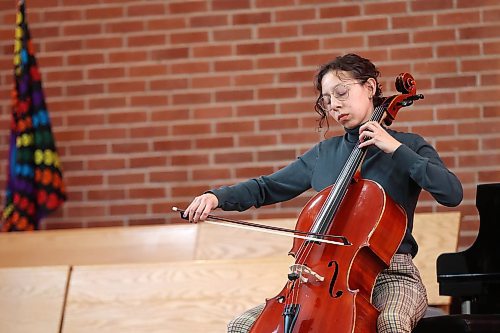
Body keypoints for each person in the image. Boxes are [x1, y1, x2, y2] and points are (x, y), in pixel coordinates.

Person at [183, 53, 463, 333]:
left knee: (390, 323)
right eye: (327, 100)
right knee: (241, 326)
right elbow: (267, 187)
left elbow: (451, 193)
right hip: (321, 279)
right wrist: (216, 197)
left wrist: (394, 148)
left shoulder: (408, 145)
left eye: (342, 92)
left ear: (369, 88)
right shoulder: (323, 154)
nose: (335, 104)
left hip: (392, 275)